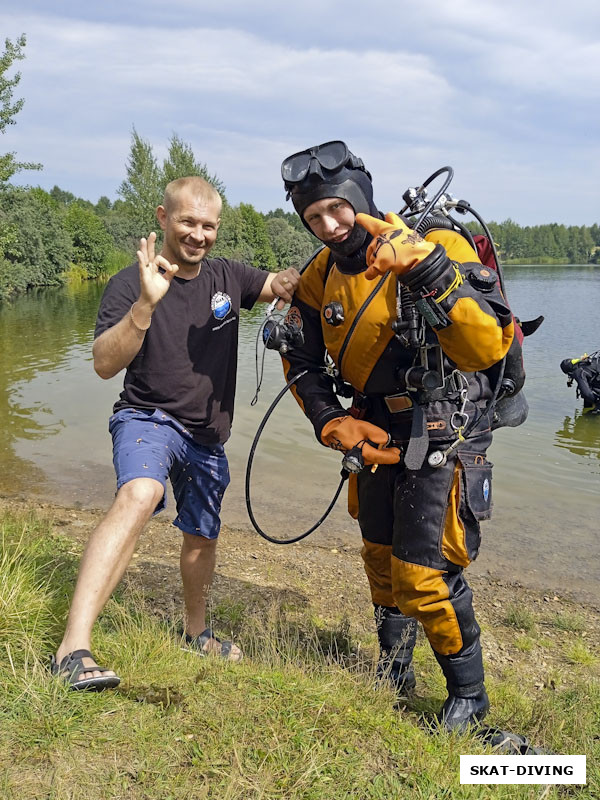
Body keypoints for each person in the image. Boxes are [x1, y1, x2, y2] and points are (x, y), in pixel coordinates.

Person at [278, 140, 515, 731]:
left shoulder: (437, 242)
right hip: (371, 421)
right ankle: (394, 665)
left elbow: (486, 348)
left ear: (360, 197)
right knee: (379, 554)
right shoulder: (318, 277)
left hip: (445, 417)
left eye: (336, 208)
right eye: (314, 218)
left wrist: (427, 268)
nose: (329, 226)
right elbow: (301, 360)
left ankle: (469, 700)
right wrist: (330, 420)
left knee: (424, 572)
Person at [51, 176, 300, 690]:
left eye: (208, 226)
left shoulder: (229, 277)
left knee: (200, 535)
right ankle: (72, 649)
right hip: (147, 417)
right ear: (164, 219)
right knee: (141, 493)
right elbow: (102, 364)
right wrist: (145, 304)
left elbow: (278, 283)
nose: (198, 234)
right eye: (187, 221)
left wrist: (301, 276)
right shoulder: (129, 283)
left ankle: (196, 632)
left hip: (208, 435)